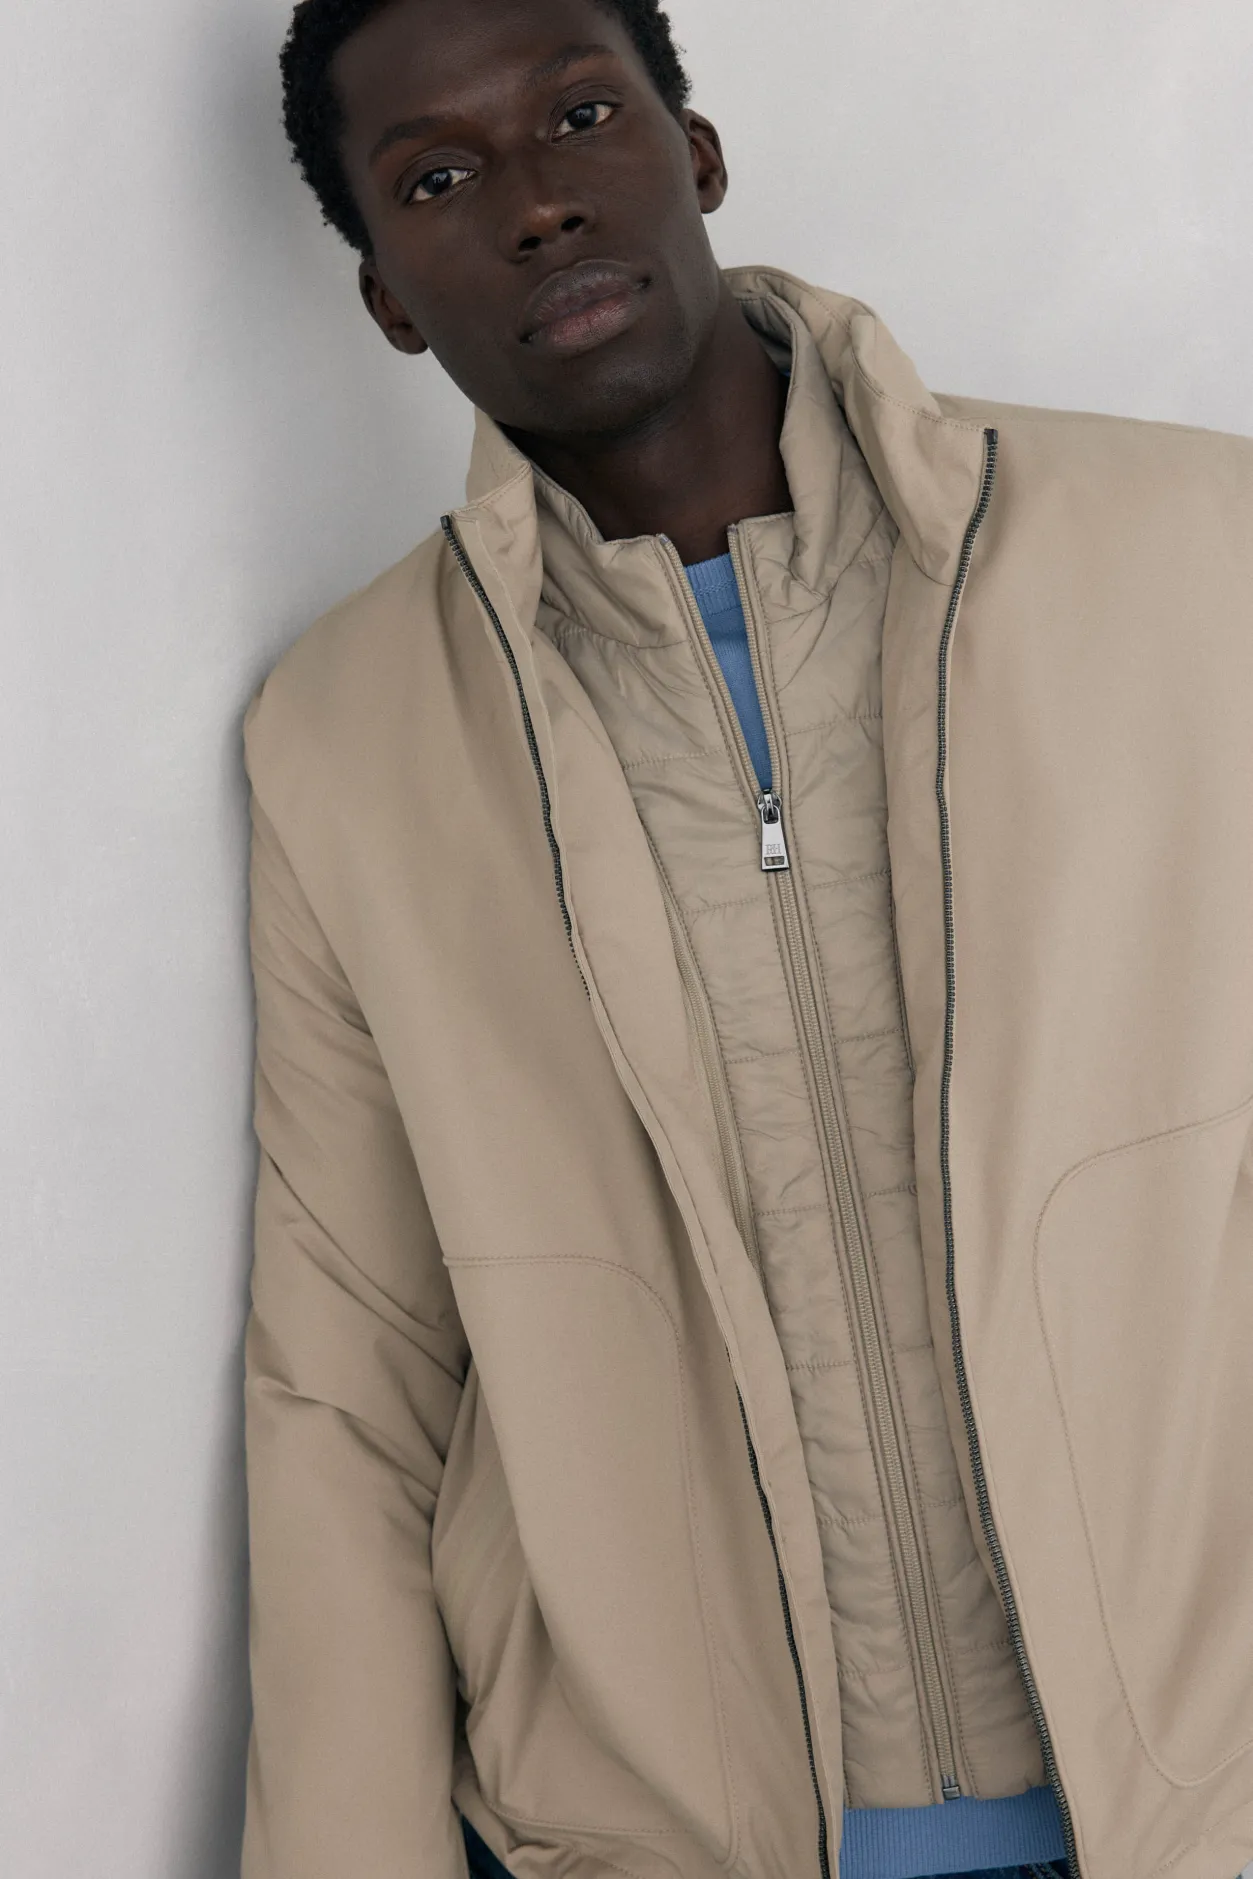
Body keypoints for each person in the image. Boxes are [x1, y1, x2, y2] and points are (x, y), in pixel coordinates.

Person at [239, 1, 1253, 1876]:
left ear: (694, 154)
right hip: (662, 1836)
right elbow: (349, 1386)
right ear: (386, 295)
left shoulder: (1203, 553)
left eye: (579, 116)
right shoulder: (349, 742)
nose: (536, 203)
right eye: (439, 179)